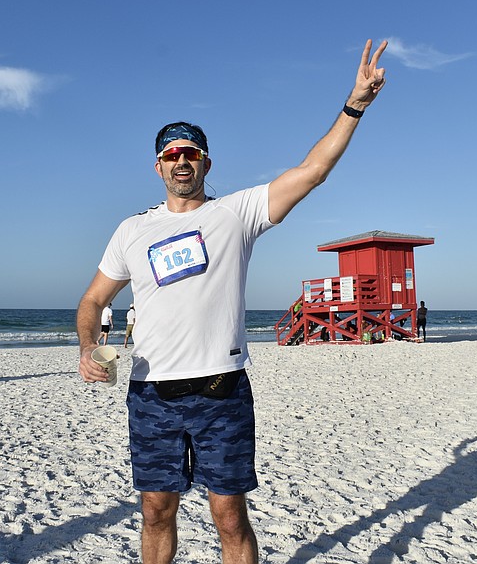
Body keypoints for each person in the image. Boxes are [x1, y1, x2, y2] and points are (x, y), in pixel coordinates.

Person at [76, 39, 387, 564]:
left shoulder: (235, 214)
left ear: (206, 162)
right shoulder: (132, 230)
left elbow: (312, 171)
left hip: (222, 390)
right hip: (151, 394)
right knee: (155, 511)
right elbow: (92, 300)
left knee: (229, 515)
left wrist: (355, 104)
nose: (181, 162)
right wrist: (88, 346)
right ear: (157, 167)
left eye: (190, 154)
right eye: (171, 155)